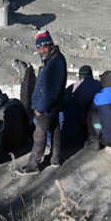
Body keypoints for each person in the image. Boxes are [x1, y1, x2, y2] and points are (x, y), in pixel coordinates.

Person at [16, 30, 67, 175]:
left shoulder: (55, 63)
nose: (42, 51)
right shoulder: (52, 57)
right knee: (55, 129)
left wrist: (40, 108)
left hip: (46, 107)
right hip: (54, 105)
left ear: (51, 45)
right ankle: (55, 159)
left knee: (39, 135)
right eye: (39, 48)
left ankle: (33, 165)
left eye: (44, 47)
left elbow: (52, 90)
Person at [0, 83, 29, 151]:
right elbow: (26, 119)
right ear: (1, 92)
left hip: (3, 145)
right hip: (21, 140)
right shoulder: (16, 102)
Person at [70, 66, 102, 134]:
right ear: (91, 74)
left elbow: (64, 96)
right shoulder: (100, 84)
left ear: (80, 76)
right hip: (98, 123)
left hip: (81, 123)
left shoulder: (75, 86)